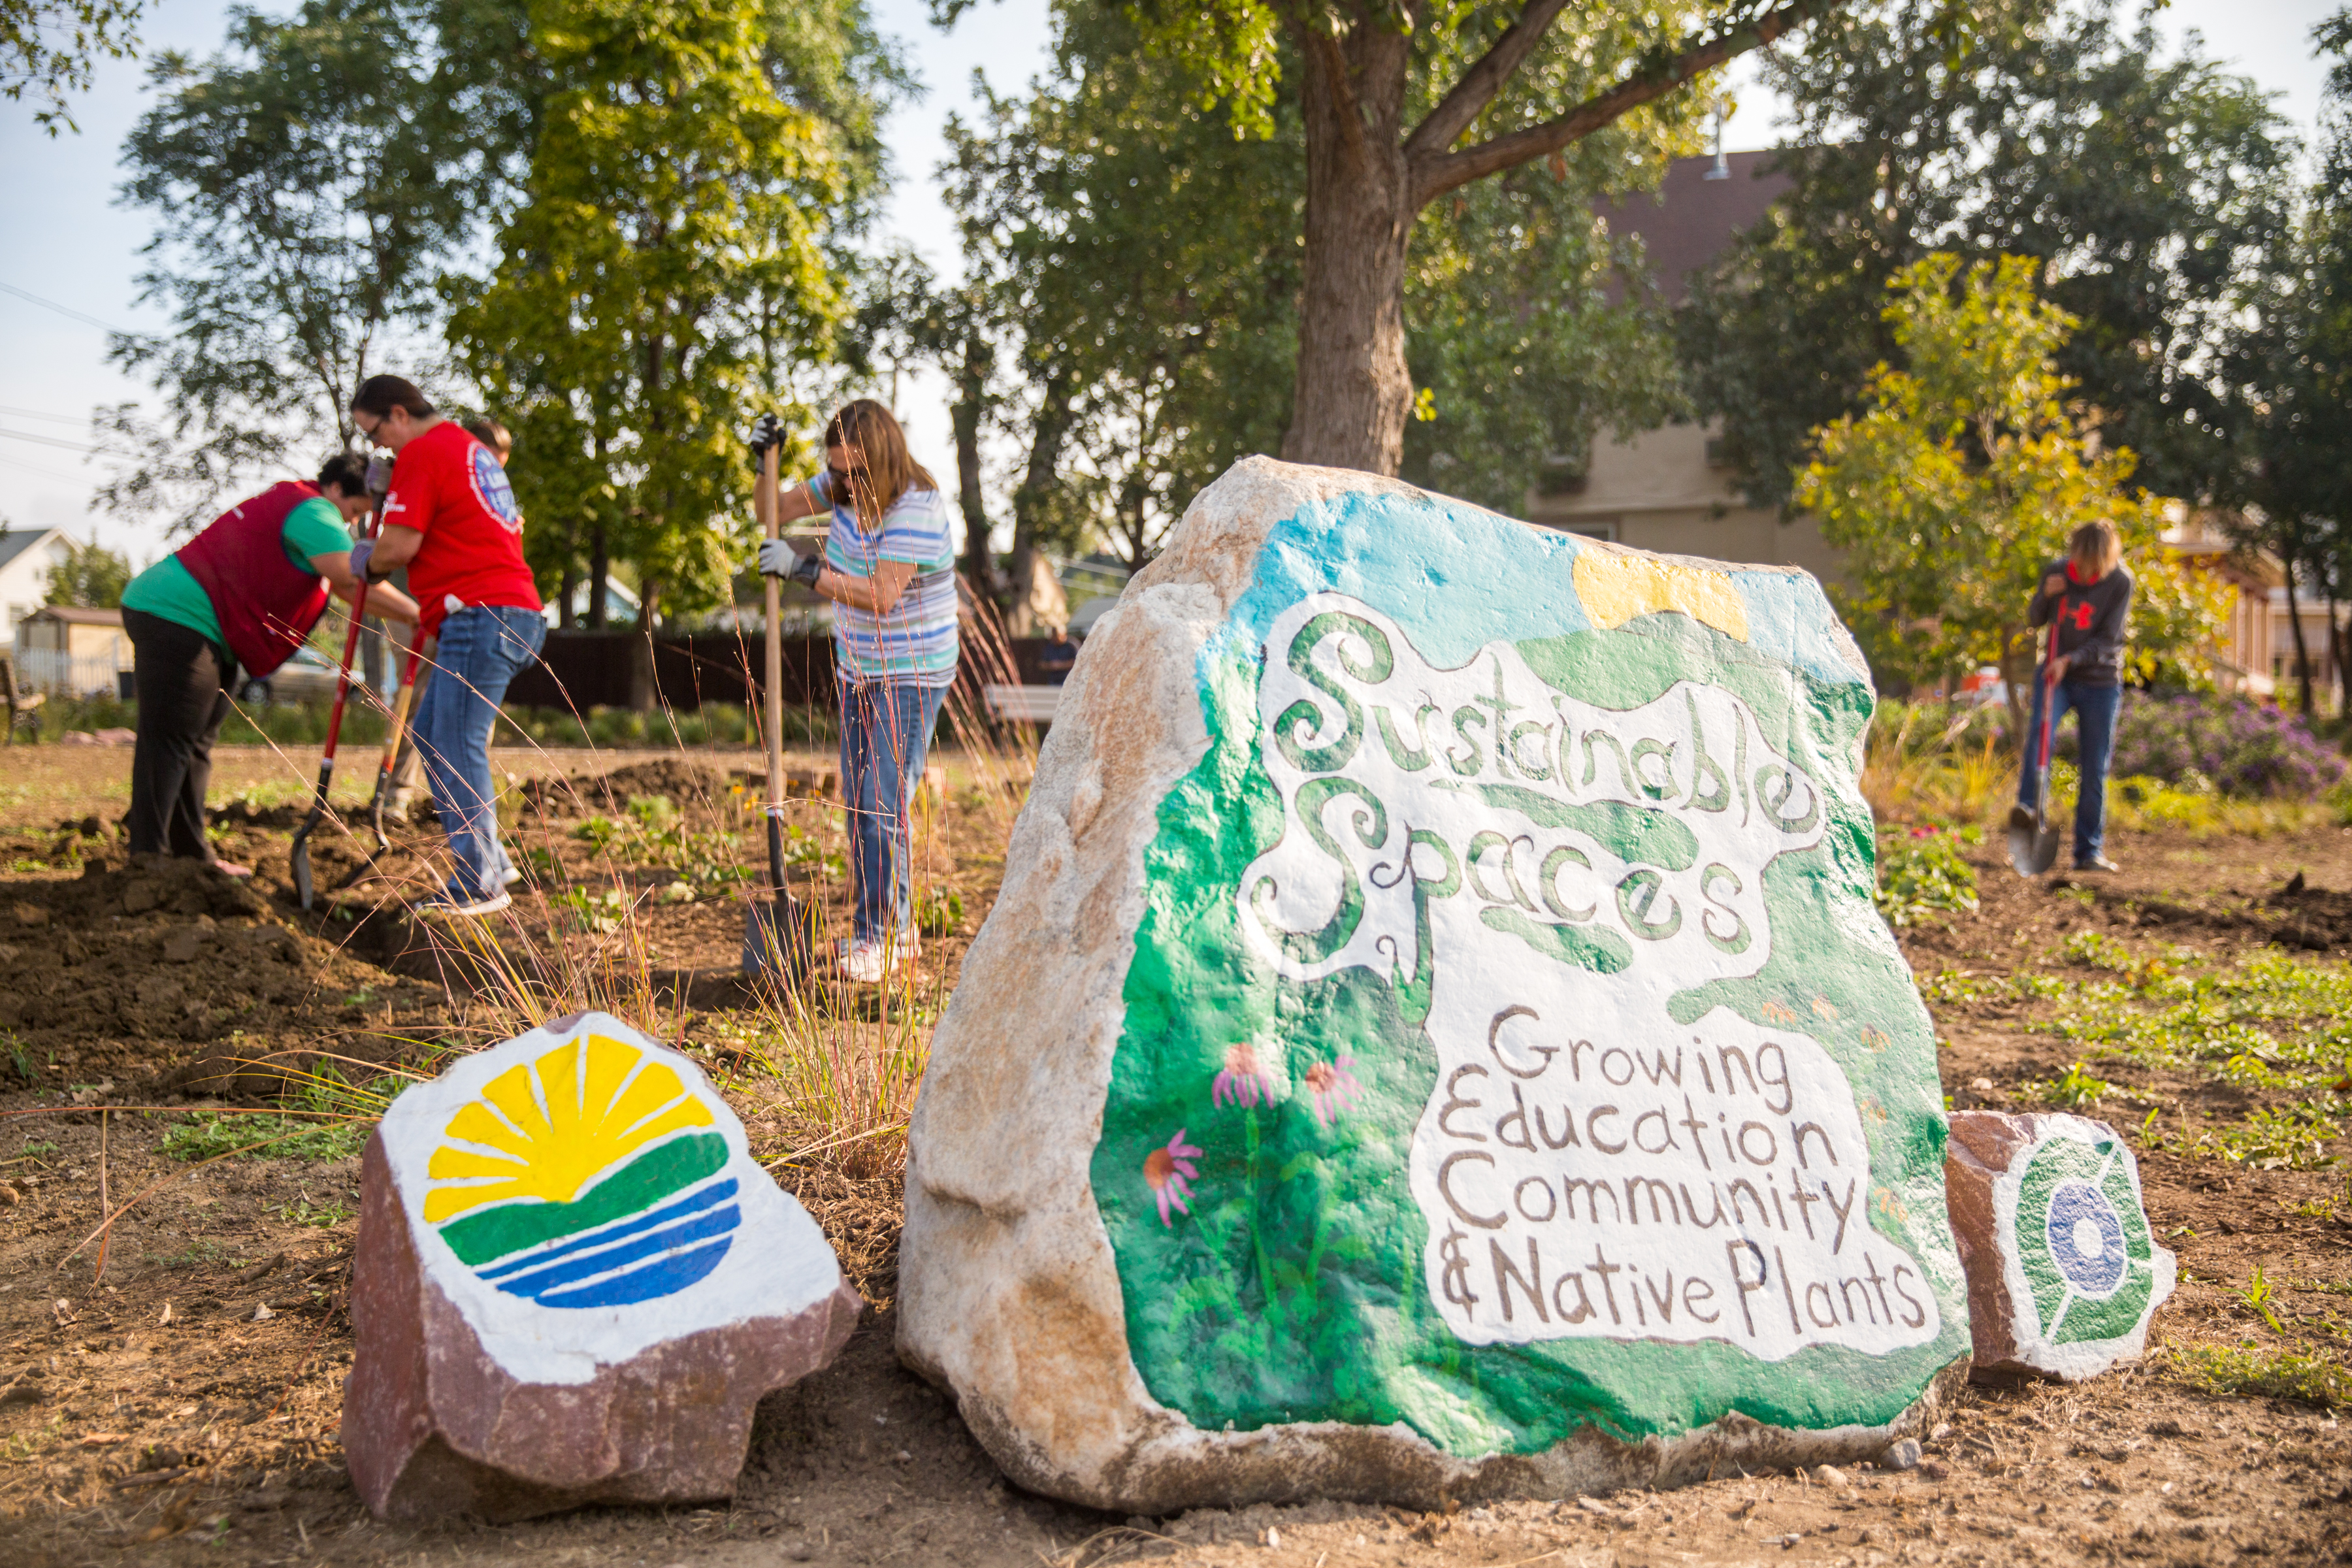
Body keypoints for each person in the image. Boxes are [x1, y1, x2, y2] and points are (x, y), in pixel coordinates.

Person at [118, 453, 421, 874]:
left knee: (197, 740)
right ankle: (149, 858)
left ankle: (191, 856)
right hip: (173, 613)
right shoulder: (314, 510)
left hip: (206, 627)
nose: (352, 525)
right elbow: (351, 581)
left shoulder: (302, 505)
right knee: (170, 739)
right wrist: (419, 615)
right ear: (336, 490)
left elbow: (346, 585)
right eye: (354, 512)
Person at [757, 400, 958, 982]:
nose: (843, 482)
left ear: (885, 460)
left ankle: (883, 938)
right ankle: (892, 927)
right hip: (860, 665)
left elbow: (880, 596)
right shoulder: (839, 486)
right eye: (837, 470)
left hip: (914, 669)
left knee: (881, 799)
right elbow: (769, 511)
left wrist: (803, 571)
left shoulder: (915, 507)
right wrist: (762, 463)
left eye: (855, 472)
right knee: (859, 798)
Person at [348, 376, 544, 915]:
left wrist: (366, 555)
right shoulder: (468, 448)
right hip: (506, 611)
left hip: (482, 615)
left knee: (456, 744)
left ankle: (479, 882)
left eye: (376, 433)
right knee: (435, 737)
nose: (380, 448)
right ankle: (492, 860)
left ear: (398, 414)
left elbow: (400, 545)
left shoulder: (426, 451)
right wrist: (390, 496)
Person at [382, 416, 514, 817]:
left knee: (470, 710)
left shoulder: (490, 491)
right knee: (417, 696)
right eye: (488, 460)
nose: (489, 472)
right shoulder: (428, 466)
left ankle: (466, 801)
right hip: (421, 604)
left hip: (471, 608)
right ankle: (396, 793)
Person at [2011, 520, 2134, 874]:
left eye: (2093, 563)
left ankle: (2089, 852)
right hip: (2054, 677)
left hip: (2100, 682)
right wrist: (2045, 596)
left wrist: (2072, 659)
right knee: (2038, 748)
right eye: (2080, 560)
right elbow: (2035, 619)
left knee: (2095, 765)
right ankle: (2027, 830)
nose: (2084, 570)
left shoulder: (2119, 582)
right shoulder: (2057, 571)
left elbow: (2110, 639)